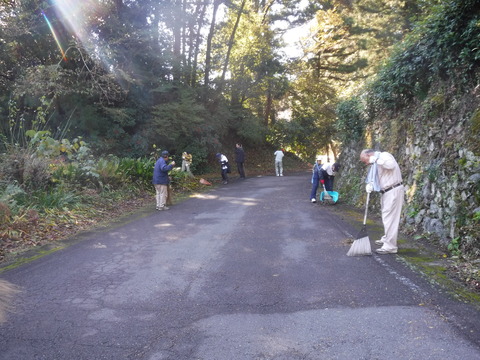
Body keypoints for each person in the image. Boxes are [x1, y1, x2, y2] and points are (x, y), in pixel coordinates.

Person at [360, 149, 404, 254]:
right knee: (386, 216)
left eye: (364, 160)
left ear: (369, 154)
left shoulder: (384, 155)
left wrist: (376, 159)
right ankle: (386, 238)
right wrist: (371, 185)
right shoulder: (376, 162)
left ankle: (390, 246)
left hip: (393, 190)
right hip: (386, 191)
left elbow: (390, 165)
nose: (365, 163)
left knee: (390, 218)